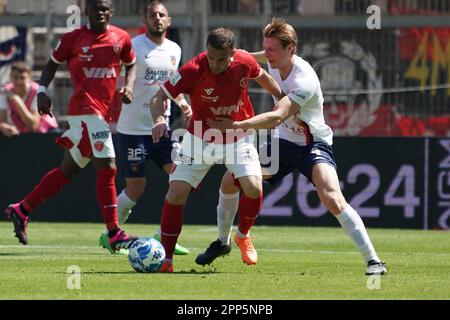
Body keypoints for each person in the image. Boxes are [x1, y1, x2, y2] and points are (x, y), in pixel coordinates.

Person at [203, 18, 387, 276]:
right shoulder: (272, 59)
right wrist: (230, 55)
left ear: (291, 49)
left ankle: (373, 261)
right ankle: (222, 242)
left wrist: (234, 125)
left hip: (312, 143)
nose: (267, 54)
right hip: (281, 142)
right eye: (265, 48)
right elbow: (249, 57)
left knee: (331, 197)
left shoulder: (305, 80)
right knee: (230, 180)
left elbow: (278, 116)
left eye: (272, 50)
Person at [4, 0, 138, 252]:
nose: (99, 12)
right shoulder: (73, 38)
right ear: (86, 10)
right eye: (95, 7)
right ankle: (114, 233)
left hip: (101, 113)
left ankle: (21, 209)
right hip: (85, 110)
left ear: (111, 11)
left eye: (104, 8)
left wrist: (129, 85)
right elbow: (52, 63)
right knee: (108, 167)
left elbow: (131, 65)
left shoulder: (121, 38)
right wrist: (42, 90)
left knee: (69, 170)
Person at [151, 27, 283, 272]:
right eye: (210, 57)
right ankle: (167, 260)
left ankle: (242, 235)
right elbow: (159, 97)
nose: (215, 63)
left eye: (221, 59)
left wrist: (281, 99)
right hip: (199, 139)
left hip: (238, 137)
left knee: (253, 187)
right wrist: (159, 120)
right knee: (176, 192)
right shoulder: (193, 69)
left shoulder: (244, 61)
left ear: (232, 53)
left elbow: (263, 76)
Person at [98, 0, 191, 255]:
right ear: (145, 19)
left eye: (162, 15)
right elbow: (119, 74)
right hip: (133, 130)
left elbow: (172, 86)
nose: (157, 18)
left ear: (169, 21)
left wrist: (182, 102)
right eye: (152, 15)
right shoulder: (133, 46)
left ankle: (164, 237)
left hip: (161, 130)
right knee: (136, 188)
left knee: (180, 178)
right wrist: (123, 89)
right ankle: (111, 232)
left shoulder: (175, 49)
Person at [0, 61, 59, 138]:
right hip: (19, 133)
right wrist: (3, 127)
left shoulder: (37, 91)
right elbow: (2, 120)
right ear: (10, 77)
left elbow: (32, 126)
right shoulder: (5, 91)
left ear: (29, 79)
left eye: (22, 78)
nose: (18, 81)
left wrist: (17, 100)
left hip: (45, 132)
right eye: (15, 77)